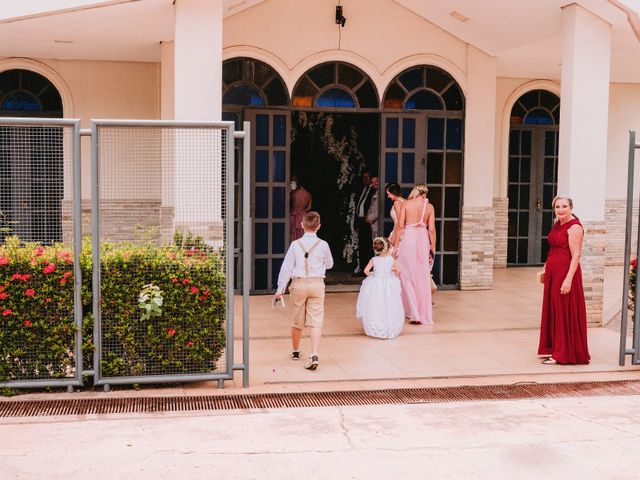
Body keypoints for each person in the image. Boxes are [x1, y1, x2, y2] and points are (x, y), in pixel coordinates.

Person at [275, 211, 334, 370]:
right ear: (319, 227)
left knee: (297, 319)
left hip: (299, 284)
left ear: (302, 225)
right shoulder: (323, 245)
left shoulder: (295, 245)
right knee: (316, 321)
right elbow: (330, 264)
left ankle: (295, 351)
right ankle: (314, 354)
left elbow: (286, 268)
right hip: (317, 284)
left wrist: (280, 289)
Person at [538, 195, 590, 365]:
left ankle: (563, 353)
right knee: (554, 309)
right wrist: (546, 268)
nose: (560, 210)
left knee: (563, 311)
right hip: (554, 272)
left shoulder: (574, 228)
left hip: (566, 273)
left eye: (564, 206)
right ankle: (555, 348)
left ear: (571, 208)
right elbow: (553, 249)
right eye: (557, 206)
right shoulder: (557, 224)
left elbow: (576, 256)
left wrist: (568, 280)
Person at [393, 184, 436, 325]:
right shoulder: (430, 207)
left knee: (406, 274)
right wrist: (433, 249)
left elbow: (400, 226)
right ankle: (421, 313)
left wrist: (394, 246)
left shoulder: (407, 204)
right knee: (422, 276)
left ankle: (413, 313)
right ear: (424, 194)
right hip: (423, 239)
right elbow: (432, 230)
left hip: (409, 238)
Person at [356, 237, 404, 339]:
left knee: (376, 304)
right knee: (389, 304)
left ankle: (376, 326)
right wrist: (393, 272)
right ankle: (389, 326)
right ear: (387, 248)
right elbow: (399, 271)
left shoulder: (374, 260)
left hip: (376, 284)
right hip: (389, 284)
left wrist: (372, 274)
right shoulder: (391, 259)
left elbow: (365, 271)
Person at [353, 170, 375, 275]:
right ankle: (362, 268)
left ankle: (368, 269)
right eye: (364, 177)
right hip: (361, 220)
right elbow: (359, 205)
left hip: (368, 221)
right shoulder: (362, 189)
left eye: (368, 177)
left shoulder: (373, 190)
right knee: (362, 245)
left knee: (368, 245)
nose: (366, 180)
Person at [289, 175, 312, 242]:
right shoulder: (307, 193)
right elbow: (309, 207)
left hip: (292, 218)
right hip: (303, 218)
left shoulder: (292, 194)